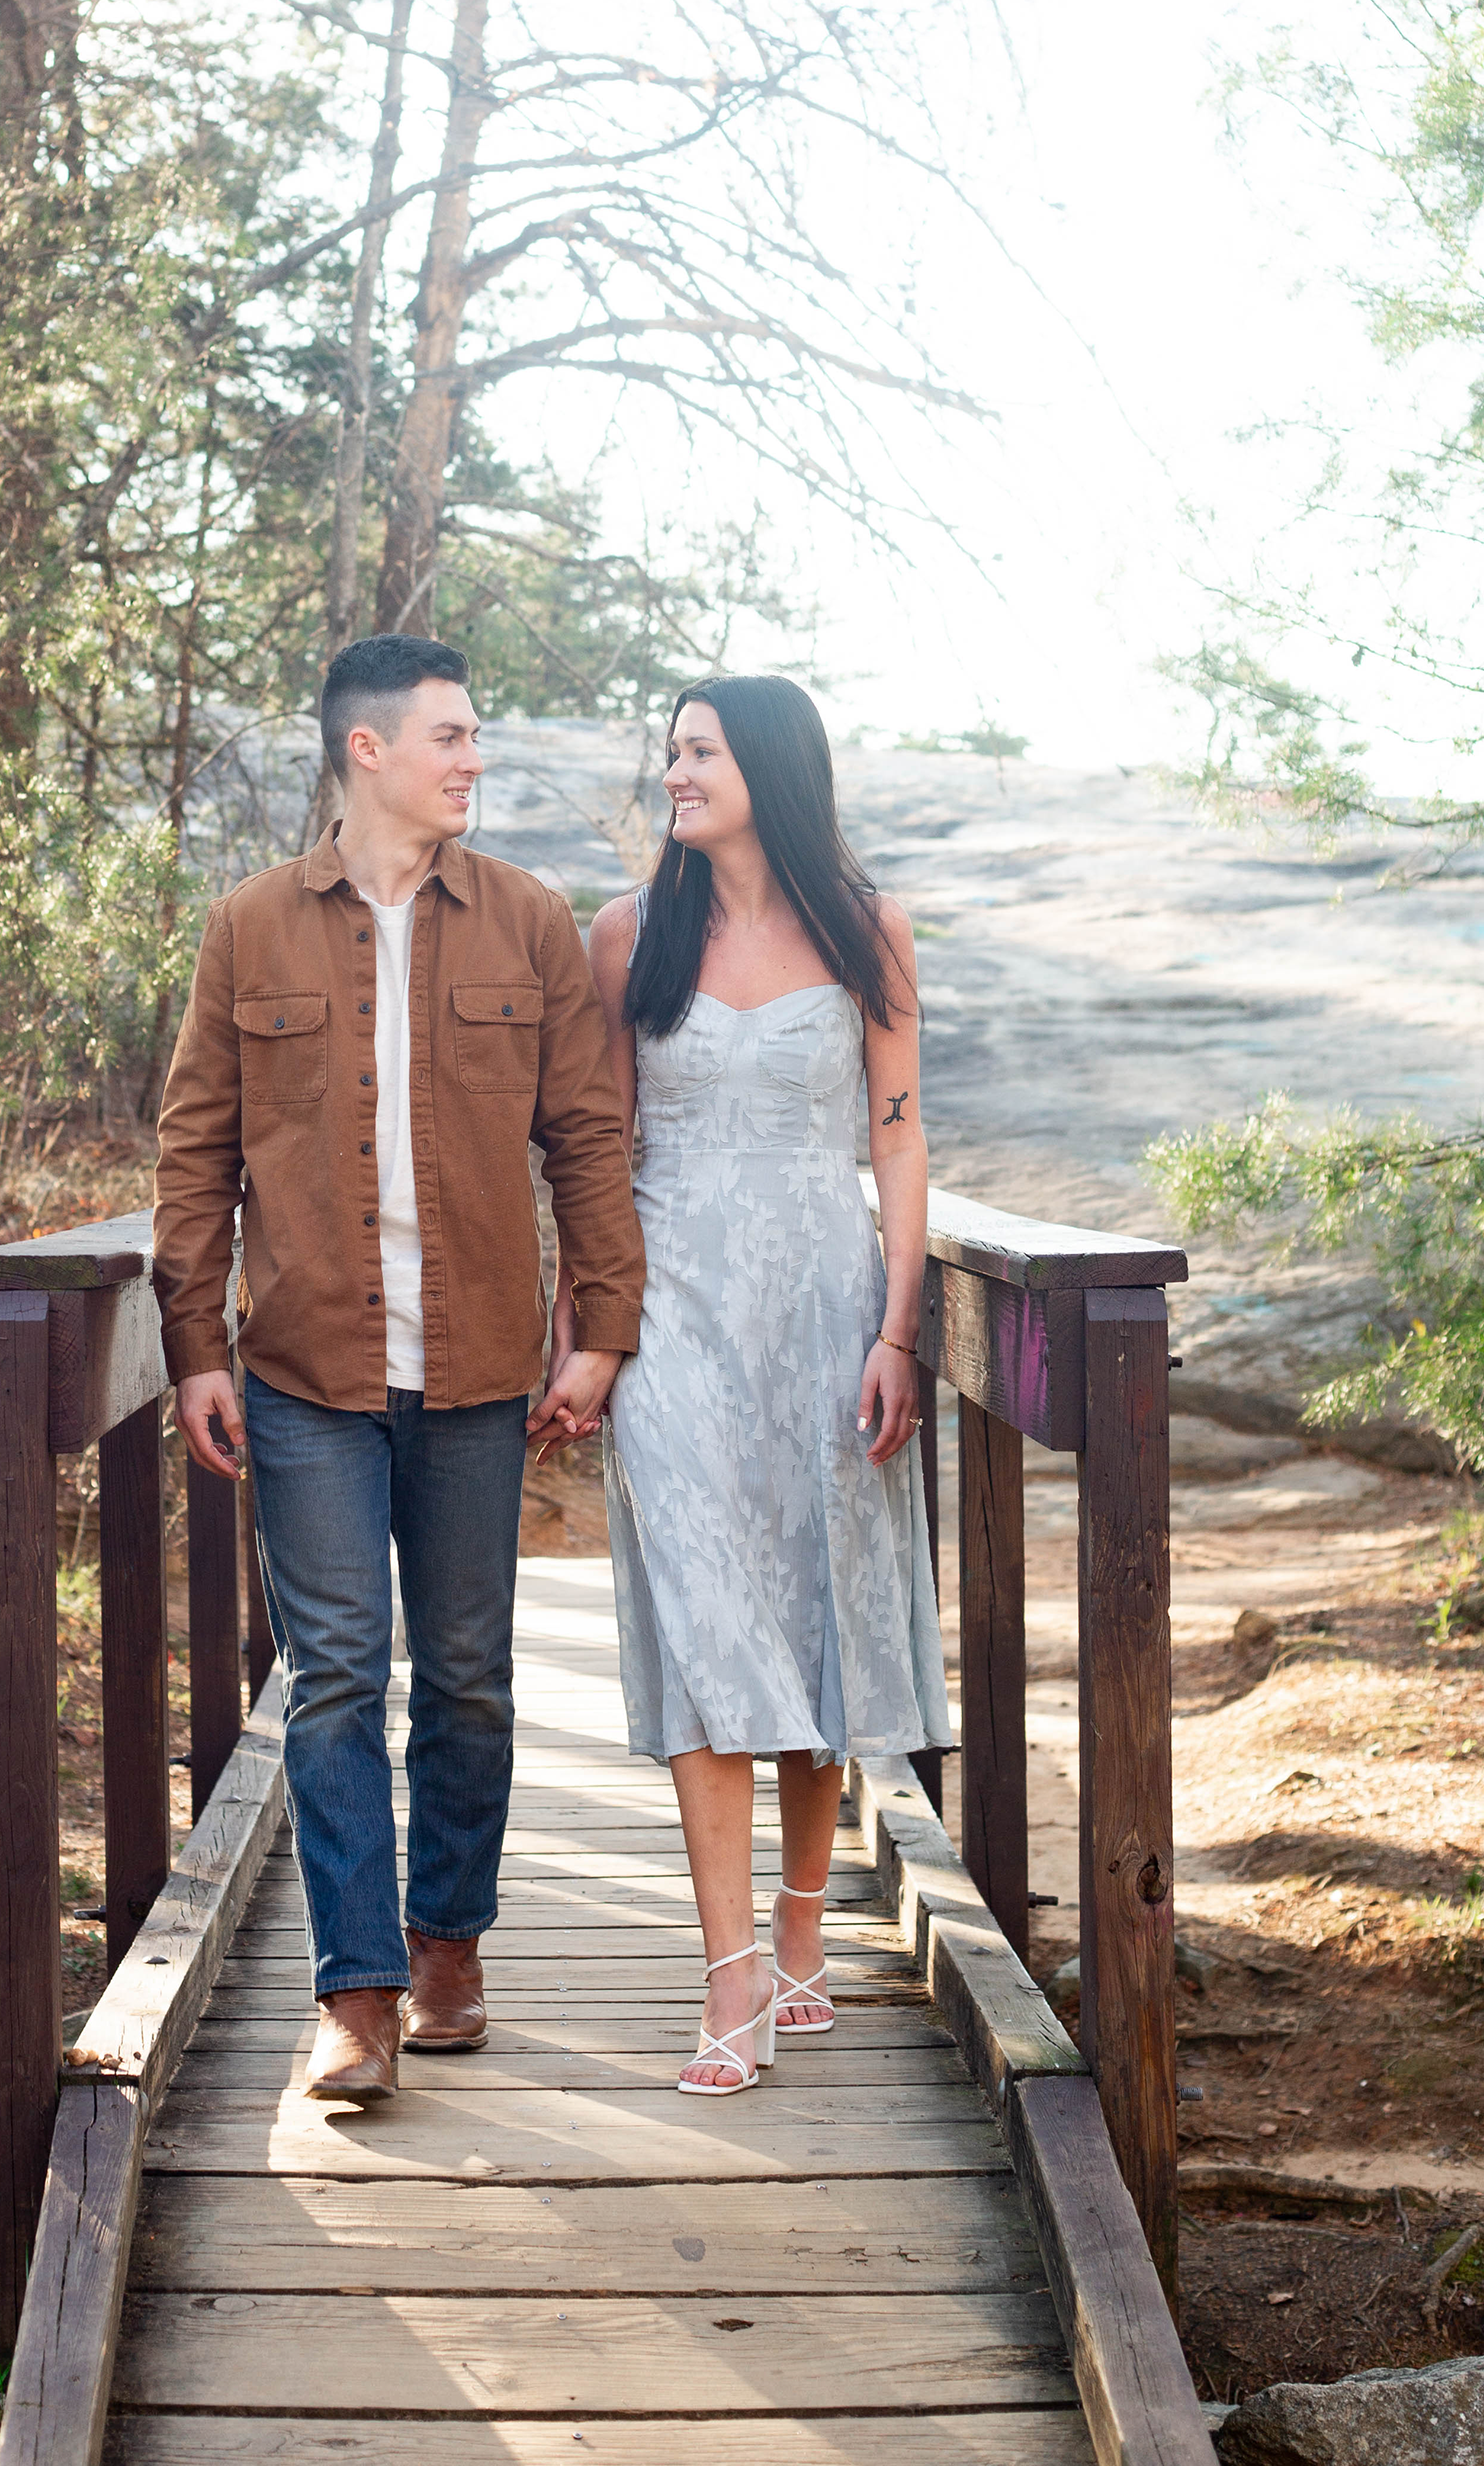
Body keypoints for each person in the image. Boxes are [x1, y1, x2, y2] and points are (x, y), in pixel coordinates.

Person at [153, 633, 644, 2104]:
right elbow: (194, 1154)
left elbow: (589, 1139)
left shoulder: (531, 925)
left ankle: (449, 1945)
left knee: (472, 1680)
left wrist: (601, 1324)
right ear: (367, 750)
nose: (472, 759)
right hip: (305, 1372)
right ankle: (353, 1998)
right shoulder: (248, 929)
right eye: (451, 736)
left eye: (475, 736)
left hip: (484, 1368)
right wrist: (193, 1344)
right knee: (335, 1678)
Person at [566, 674, 951, 2095]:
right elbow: (595, 1151)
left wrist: (897, 1327)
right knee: (712, 1620)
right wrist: (589, 1334)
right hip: (672, 1319)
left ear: (771, 769)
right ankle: (728, 1972)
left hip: (824, 1310)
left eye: (699, 751)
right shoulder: (624, 937)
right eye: (667, 748)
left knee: (808, 1604)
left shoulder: (870, 932)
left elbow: (900, 1144)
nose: (673, 772)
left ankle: (803, 1927)